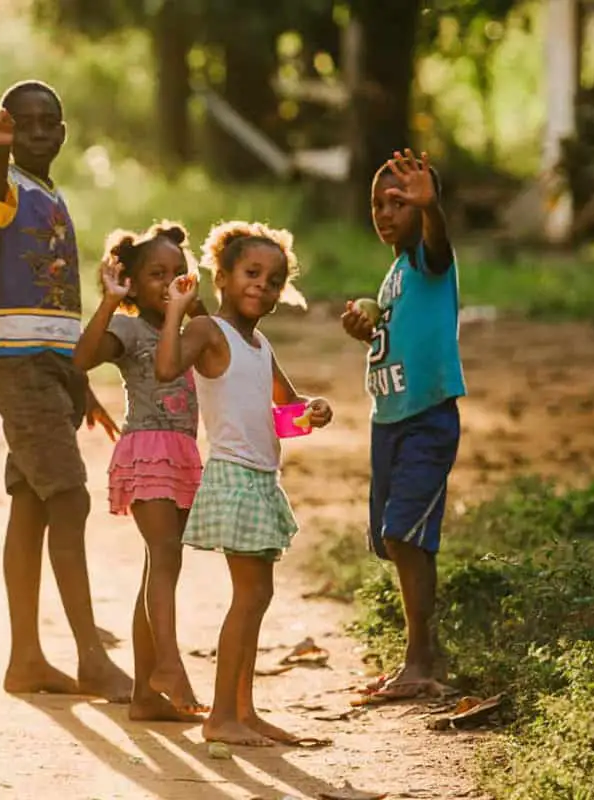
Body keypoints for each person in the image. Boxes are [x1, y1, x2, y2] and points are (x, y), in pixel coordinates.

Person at [0, 80, 132, 701]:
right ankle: (91, 657)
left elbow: (57, 304)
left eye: (44, 122)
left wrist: (79, 382)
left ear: (62, 132)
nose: (33, 132)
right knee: (70, 500)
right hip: (19, 366)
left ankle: (26, 660)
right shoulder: (5, 191)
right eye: (19, 122)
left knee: (31, 501)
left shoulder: (54, 195)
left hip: (50, 367)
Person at [153, 220, 334, 748]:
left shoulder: (259, 345)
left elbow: (281, 412)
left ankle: (242, 711)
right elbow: (167, 367)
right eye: (252, 273)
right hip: (233, 476)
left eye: (274, 280)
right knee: (250, 594)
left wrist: (311, 413)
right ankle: (223, 717)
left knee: (256, 595)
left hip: (261, 477)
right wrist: (174, 313)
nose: (263, 285)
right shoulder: (210, 333)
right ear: (223, 277)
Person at [340, 150, 465, 701]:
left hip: (425, 419)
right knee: (392, 541)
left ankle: (421, 659)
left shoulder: (427, 257)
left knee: (404, 533)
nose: (389, 212)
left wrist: (431, 210)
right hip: (387, 421)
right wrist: (367, 333)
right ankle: (417, 656)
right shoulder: (394, 273)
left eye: (403, 201)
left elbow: (439, 245)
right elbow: (401, 338)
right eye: (380, 203)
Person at [72, 221, 209, 721]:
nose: (170, 281)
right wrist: (110, 302)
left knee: (159, 566)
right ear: (132, 280)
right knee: (164, 553)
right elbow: (81, 359)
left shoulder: (191, 327)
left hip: (184, 455)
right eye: (157, 273)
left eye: (179, 272)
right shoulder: (129, 328)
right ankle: (168, 664)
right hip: (146, 448)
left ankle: (145, 698)